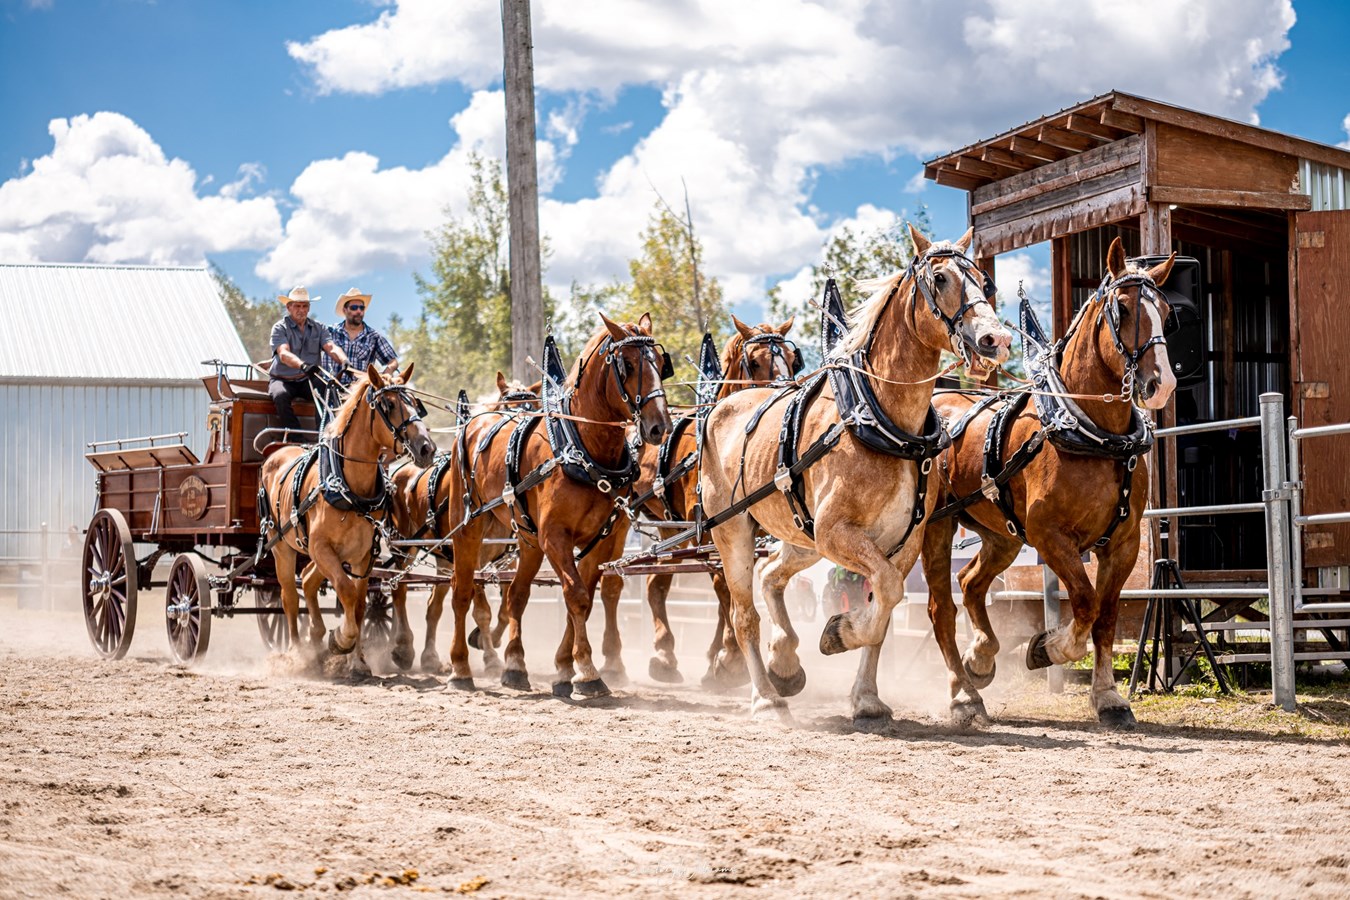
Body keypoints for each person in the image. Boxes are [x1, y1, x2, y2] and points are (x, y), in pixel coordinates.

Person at [269, 286, 348, 430]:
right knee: (280, 395)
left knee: (328, 389)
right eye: (297, 306)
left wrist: (344, 360)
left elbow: (331, 347)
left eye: (304, 306)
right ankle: (295, 436)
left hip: (307, 380)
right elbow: (283, 354)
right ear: (289, 307)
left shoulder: (319, 328)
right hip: (283, 379)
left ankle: (322, 435)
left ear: (309, 308)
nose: (301, 310)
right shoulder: (280, 328)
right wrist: (303, 365)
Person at [324, 287, 398, 386]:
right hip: (329, 389)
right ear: (344, 310)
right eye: (354, 308)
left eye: (362, 308)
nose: (359, 311)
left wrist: (387, 373)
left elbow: (393, 361)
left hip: (358, 391)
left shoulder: (373, 337)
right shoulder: (330, 331)